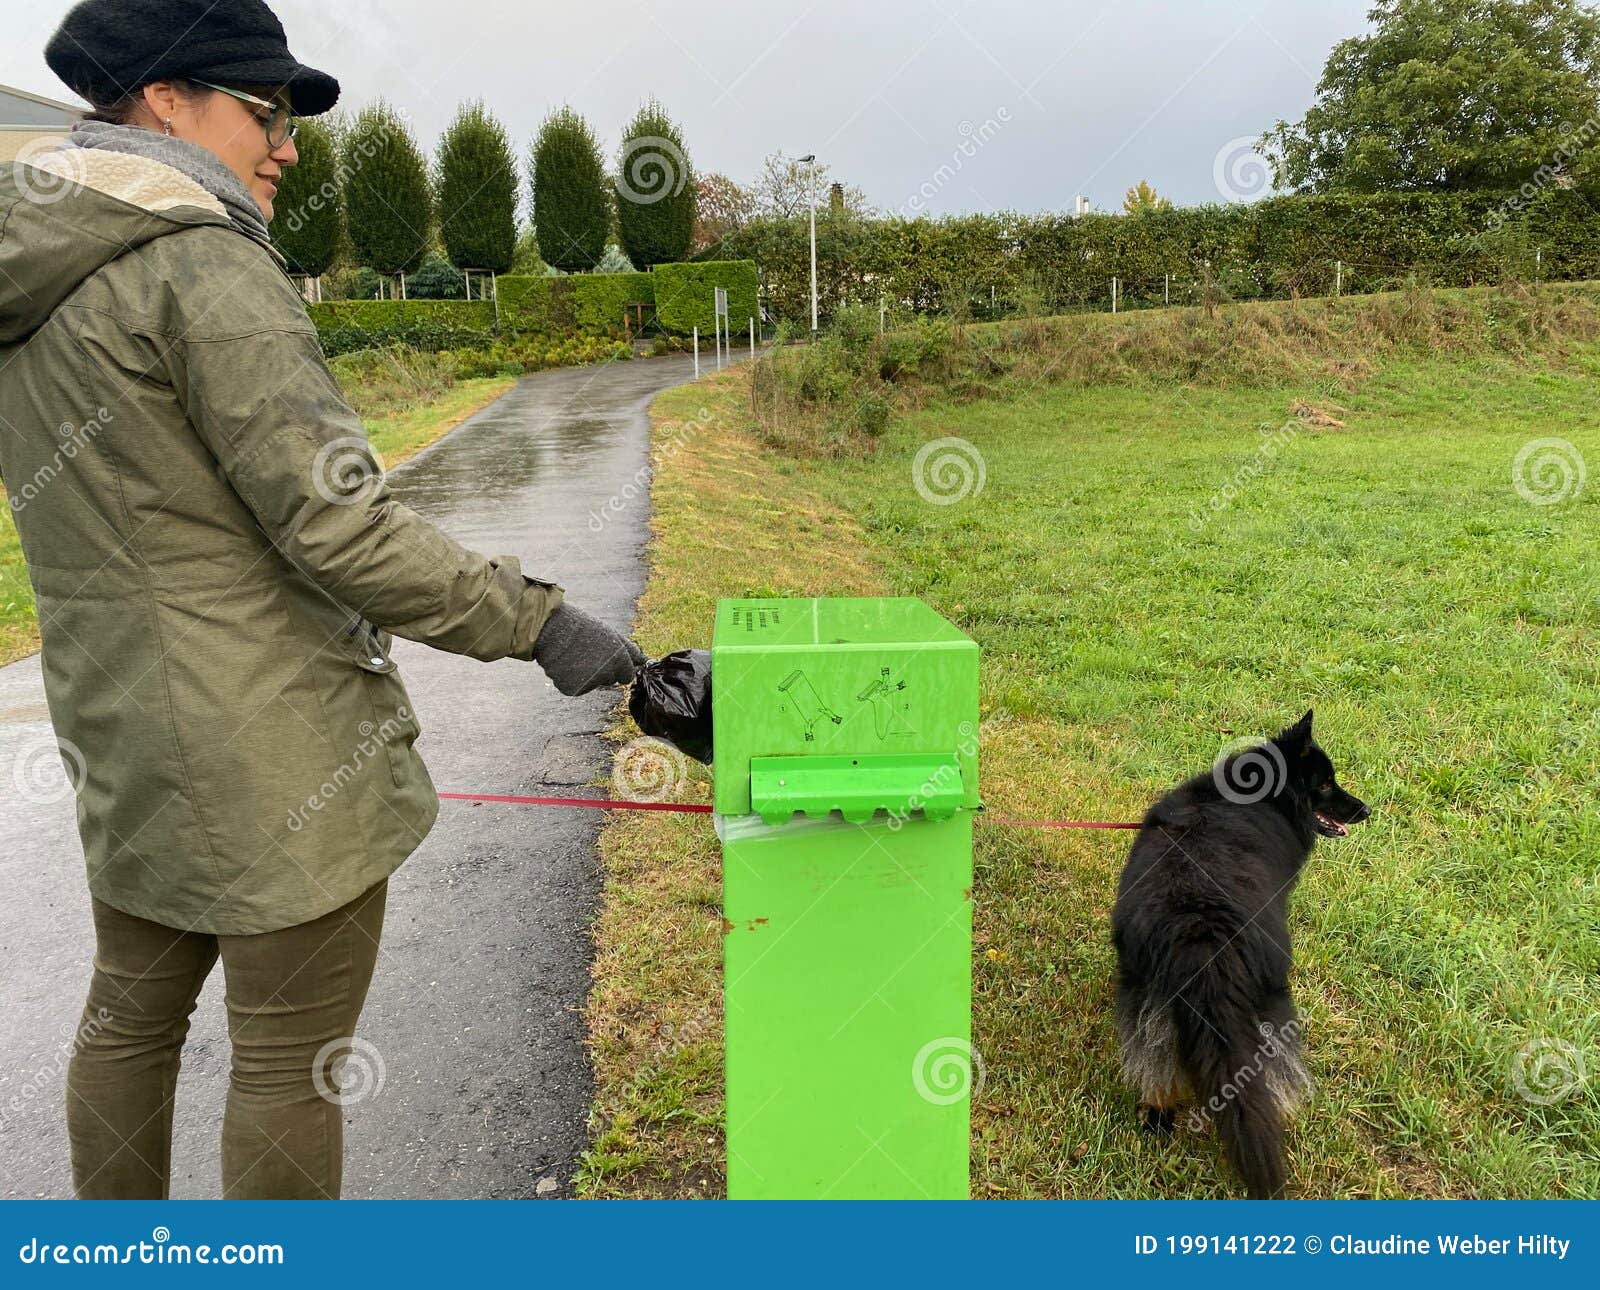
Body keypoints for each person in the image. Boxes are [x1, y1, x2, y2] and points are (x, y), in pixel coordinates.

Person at [0, 0, 643, 1199]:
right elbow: (337, 521)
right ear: (165, 101)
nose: (286, 143)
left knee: (126, 1025)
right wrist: (543, 622)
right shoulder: (197, 255)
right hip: (272, 747)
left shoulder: (34, 268)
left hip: (120, 732)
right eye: (265, 111)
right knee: (292, 1061)